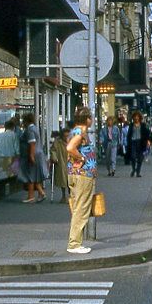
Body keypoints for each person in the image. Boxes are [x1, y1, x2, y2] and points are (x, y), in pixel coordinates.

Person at [65, 107, 97, 255]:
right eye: (91, 117)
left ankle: (76, 241)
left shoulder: (74, 131)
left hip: (74, 173)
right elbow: (70, 148)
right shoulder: (80, 133)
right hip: (82, 174)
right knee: (81, 209)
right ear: (87, 119)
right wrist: (81, 158)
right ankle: (75, 244)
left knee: (79, 207)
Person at [18, 112, 47, 202]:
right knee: (35, 174)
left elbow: (32, 142)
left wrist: (30, 155)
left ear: (26, 120)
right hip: (38, 153)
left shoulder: (29, 130)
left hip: (32, 154)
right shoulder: (35, 128)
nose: (23, 123)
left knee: (30, 174)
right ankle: (41, 192)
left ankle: (31, 196)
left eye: (23, 120)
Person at [49, 127, 71, 203]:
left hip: (71, 162)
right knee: (63, 180)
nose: (66, 138)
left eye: (67, 136)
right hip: (61, 161)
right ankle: (64, 196)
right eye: (64, 136)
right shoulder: (57, 142)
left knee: (71, 181)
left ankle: (71, 195)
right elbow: (53, 150)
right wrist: (54, 158)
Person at [125, 110, 149, 177]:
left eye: (137, 116)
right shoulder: (131, 125)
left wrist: (148, 141)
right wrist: (128, 142)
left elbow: (146, 133)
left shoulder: (143, 125)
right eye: (135, 116)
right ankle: (133, 169)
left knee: (140, 158)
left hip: (140, 142)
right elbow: (129, 134)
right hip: (133, 142)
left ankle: (138, 172)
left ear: (139, 117)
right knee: (133, 156)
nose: (136, 118)